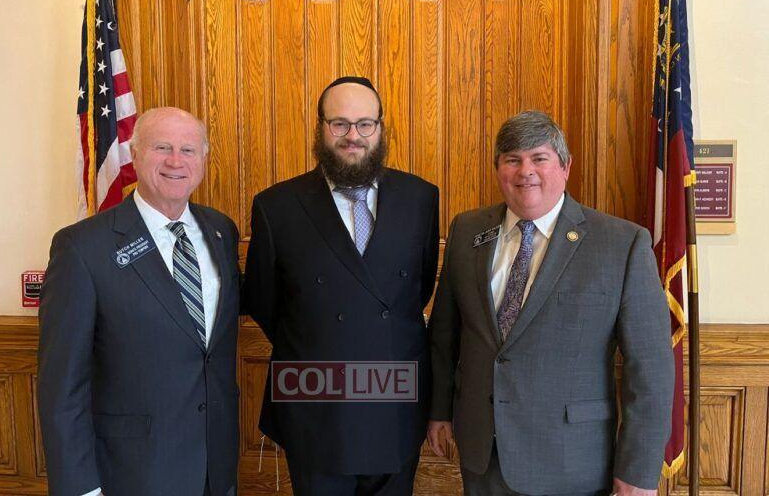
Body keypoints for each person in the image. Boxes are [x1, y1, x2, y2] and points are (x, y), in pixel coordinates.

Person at [427, 110, 674, 496]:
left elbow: (651, 371)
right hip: (483, 457)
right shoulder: (467, 231)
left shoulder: (621, 244)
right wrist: (439, 411)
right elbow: (445, 335)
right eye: (513, 159)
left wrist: (638, 473)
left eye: (539, 158)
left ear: (565, 166)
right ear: (498, 169)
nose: (525, 171)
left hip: (571, 463)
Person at [245, 76, 439, 496]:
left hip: (395, 396)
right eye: (340, 124)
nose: (353, 136)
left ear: (380, 128)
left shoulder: (421, 198)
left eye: (365, 124)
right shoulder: (276, 206)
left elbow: (417, 290)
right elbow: (263, 301)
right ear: (321, 128)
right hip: (314, 401)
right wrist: (322, 342)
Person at [38, 107, 241, 496]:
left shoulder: (221, 231)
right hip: (132, 472)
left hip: (216, 467)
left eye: (188, 150)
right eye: (161, 147)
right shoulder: (82, 247)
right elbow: (62, 385)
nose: (175, 161)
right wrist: (80, 488)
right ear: (134, 154)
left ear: (203, 159)